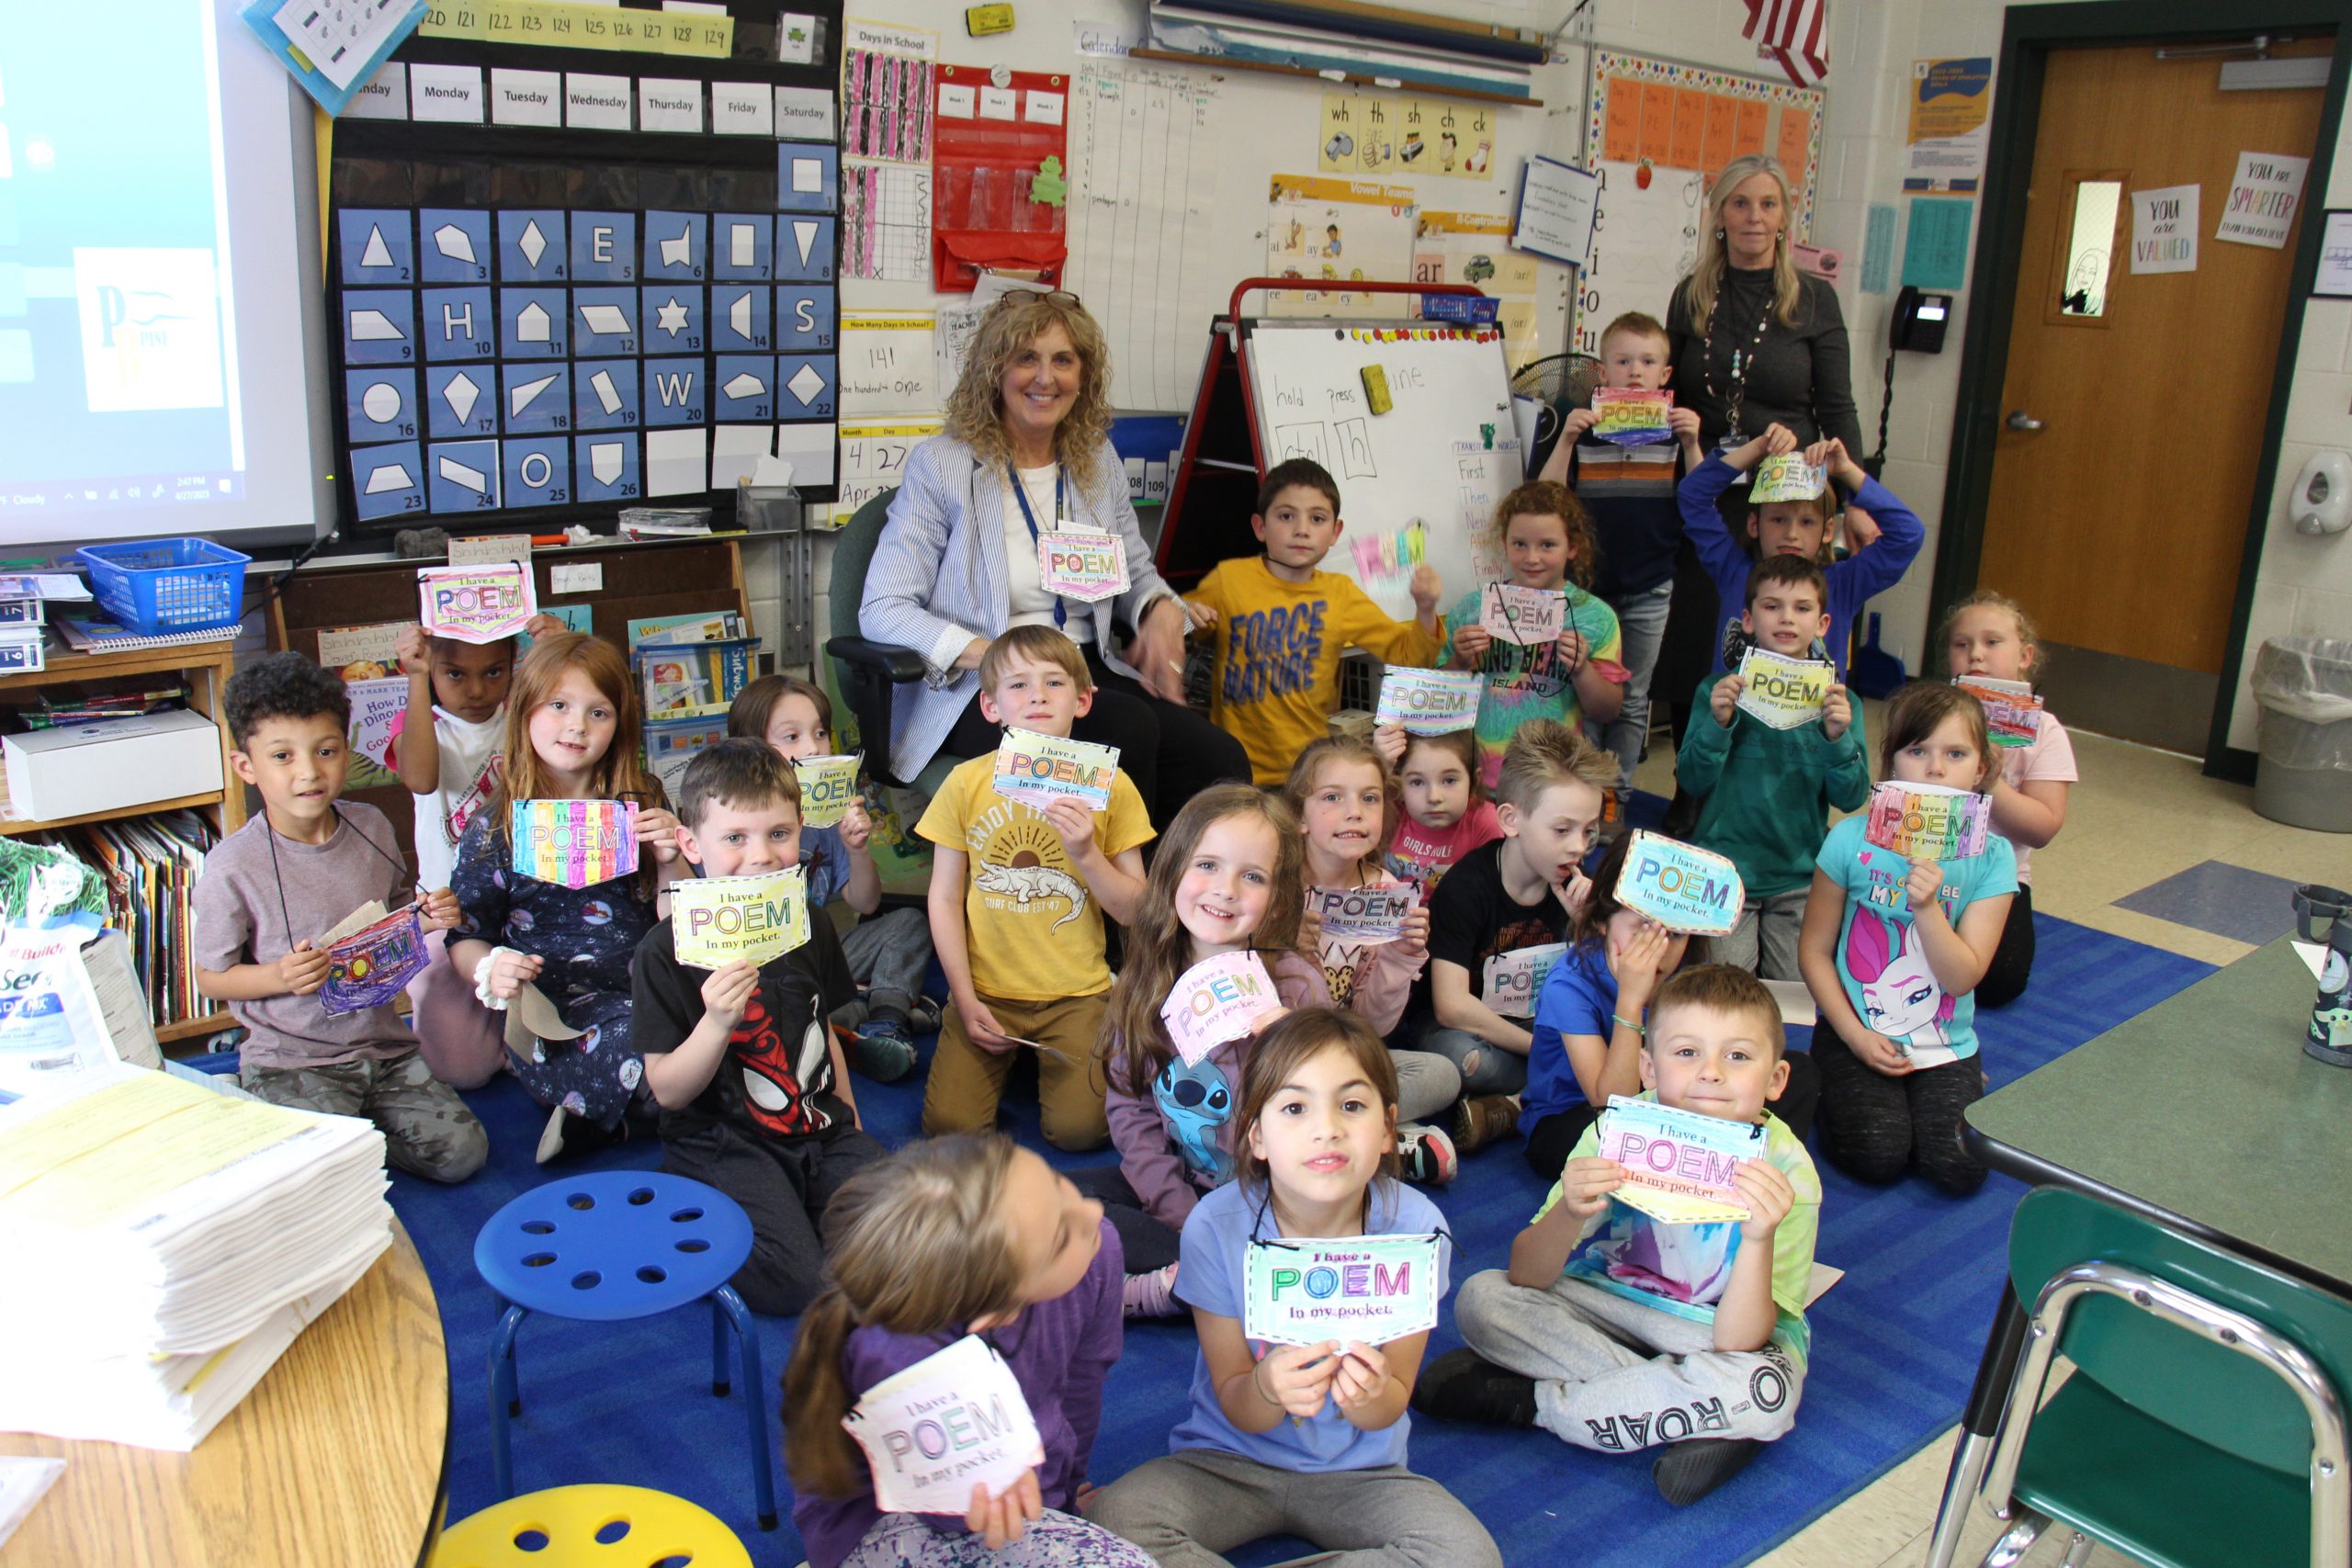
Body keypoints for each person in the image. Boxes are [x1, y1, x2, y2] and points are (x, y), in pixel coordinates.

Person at [1081, 1010, 1503, 1568]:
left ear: (1386, 1129)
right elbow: (1237, 1400)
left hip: (1363, 1473)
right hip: (1227, 1461)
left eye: (1352, 1105)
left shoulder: (1416, 1229)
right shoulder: (1216, 1224)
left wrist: (1372, 1398)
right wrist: (1266, 1387)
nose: (1326, 1128)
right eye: (1295, 1108)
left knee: (1467, 1557)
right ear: (1255, 1136)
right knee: (1116, 1522)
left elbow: (1393, 1398)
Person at [1415, 964, 1820, 1509]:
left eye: (1738, 1056)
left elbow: (1738, 1343)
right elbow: (1526, 1275)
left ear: (1776, 1079)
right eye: (1686, 1053)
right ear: (1649, 1069)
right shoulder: (1617, 1131)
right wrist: (1570, 1213)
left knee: (1767, 1392)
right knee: (1480, 1298)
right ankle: (1685, 1410)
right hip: (1605, 1303)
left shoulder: (1789, 1174)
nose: (1711, 1074)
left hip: (1712, 1334)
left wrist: (1756, 1239)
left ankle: (1536, 1403)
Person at [860, 288, 1247, 830]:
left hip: (1086, 671)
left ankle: (1182, 906)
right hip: (988, 689)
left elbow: (1133, 570)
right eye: (1026, 358)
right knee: (1128, 727)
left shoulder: (1095, 460)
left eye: (1063, 360)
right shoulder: (942, 465)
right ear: (994, 371)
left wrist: (1159, 608)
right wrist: (1000, 658)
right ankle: (1121, 908)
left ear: (1082, 375)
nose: (1046, 378)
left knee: (1218, 761)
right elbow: (884, 607)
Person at [783, 1134, 1152, 1568]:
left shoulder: (1097, 1245)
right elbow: (955, 1517)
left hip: (1003, 1495)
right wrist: (1005, 1490)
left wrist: (1062, 1498)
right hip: (891, 1521)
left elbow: (1082, 1389)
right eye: (1058, 1238)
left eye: (1057, 1184)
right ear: (996, 1311)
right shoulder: (898, 1352)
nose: (1091, 1211)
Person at [193, 652, 487, 1182]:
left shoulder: (371, 825)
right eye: (282, 756)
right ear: (246, 767)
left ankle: (353, 1142)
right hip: (293, 1058)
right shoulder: (233, 865)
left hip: (384, 1045)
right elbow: (211, 977)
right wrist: (276, 975)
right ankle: (324, 1140)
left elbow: (396, 914)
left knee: (463, 1156)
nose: (308, 772)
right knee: (318, 1178)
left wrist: (425, 917)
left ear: (345, 753)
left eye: (325, 751)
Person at [628, 740, 886, 1316]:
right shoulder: (663, 952)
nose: (763, 856)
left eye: (778, 834)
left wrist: (852, 1129)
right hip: (725, 1143)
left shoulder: (809, 922)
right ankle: (686, 1213)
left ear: (800, 829)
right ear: (692, 846)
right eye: (735, 838)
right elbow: (667, 1089)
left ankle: (810, 1214)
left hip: (817, 1131)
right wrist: (717, 1022)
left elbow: (823, 1033)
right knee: (797, 1283)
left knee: (915, 1236)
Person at [1084, 785, 1354, 1314]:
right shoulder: (1145, 980)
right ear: (1173, 871)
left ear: (1277, 896)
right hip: (1181, 1192)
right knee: (1050, 1203)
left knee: (1301, 1261)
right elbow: (1131, 1108)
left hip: (1272, 1206)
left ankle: (1177, 1289)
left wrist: (1289, 1048)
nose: (1225, 890)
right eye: (1207, 864)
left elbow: (1329, 1120)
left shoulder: (1296, 988)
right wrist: (1180, 1213)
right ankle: (1205, 1278)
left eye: (1252, 876)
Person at [447, 631, 687, 1163]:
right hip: (554, 1011)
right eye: (559, 706)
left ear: (619, 725)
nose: (577, 726)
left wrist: (673, 857)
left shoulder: (642, 797)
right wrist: (492, 968)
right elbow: (466, 936)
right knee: (652, 1058)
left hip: (646, 985)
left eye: (598, 713)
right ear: (525, 710)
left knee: (715, 1034)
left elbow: (680, 920)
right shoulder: (494, 826)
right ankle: (638, 1110)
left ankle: (608, 1124)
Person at [1656, 152, 1863, 764]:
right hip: (1710, 486)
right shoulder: (1692, 296)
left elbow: (1839, 408)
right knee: (1699, 631)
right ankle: (1698, 772)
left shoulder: (1814, 301)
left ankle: (1777, 766)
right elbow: (1672, 391)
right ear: (1720, 214)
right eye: (1740, 203)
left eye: (1767, 204)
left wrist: (1853, 502)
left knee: (1779, 623)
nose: (1753, 217)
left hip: (1788, 496)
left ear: (1784, 218)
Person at [918, 626, 1151, 1152]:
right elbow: (944, 898)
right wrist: (962, 993)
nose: (1038, 696)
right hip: (986, 990)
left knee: (1080, 1132)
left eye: (1053, 682)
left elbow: (1136, 910)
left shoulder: (1111, 785)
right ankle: (1018, 1059)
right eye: (1018, 685)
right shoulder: (965, 783)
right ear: (991, 706)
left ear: (1083, 698)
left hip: (1077, 991)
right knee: (949, 1131)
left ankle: (1050, 1060)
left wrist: (1088, 853)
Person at [1800, 682, 2017, 1196]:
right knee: (1877, 1154)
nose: (1935, 769)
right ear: (1893, 762)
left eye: (1955, 754)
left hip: (1946, 1043)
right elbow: (1813, 952)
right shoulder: (1851, 839)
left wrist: (1926, 908)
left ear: (1981, 768)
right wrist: (1853, 1036)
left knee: (1958, 1169)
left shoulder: (1993, 856)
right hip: (1855, 1031)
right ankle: (1821, 1078)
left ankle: (1956, 1084)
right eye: (1917, 751)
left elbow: (1964, 976)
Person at [1182, 457, 1444, 787]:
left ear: (1335, 532)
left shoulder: (1340, 594)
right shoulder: (1229, 580)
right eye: (1286, 516)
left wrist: (1425, 608)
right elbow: (1179, 626)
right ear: (1260, 526)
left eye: (1317, 518)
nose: (1301, 529)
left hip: (1308, 775)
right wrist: (1185, 612)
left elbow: (1410, 657)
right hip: (1235, 775)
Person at [729, 673, 934, 1080]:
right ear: (750, 749)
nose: (812, 748)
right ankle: (864, 1010)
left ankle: (884, 1017)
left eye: (819, 733)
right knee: (775, 999)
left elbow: (866, 903)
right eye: (791, 737)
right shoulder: (729, 820)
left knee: (909, 923)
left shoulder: (825, 815)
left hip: (820, 954)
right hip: (757, 969)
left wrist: (858, 850)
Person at [1676, 554, 1870, 978]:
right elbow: (1691, 779)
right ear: (1747, 619)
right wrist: (1717, 725)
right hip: (1725, 871)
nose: (1786, 618)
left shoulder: (1840, 704)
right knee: (1727, 989)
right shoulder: (1716, 691)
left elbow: (1852, 797)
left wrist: (1837, 738)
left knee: (1795, 995)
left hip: (1799, 875)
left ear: (1822, 625)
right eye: (1771, 606)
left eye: (1802, 608)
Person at [394, 614, 563, 1090]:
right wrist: (414, 678)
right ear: (431, 669)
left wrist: (555, 657)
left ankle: (518, 1042)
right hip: (447, 912)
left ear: (514, 664)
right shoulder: (422, 722)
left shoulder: (524, 715)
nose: (475, 690)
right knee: (460, 1072)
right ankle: (494, 1038)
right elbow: (421, 779)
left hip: (523, 903)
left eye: (493, 671)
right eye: (454, 674)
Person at [1282, 739, 1476, 1149]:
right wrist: (1286, 951)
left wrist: (1398, 959)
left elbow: (1374, 1028)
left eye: (1369, 798)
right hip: (1279, 1061)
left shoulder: (1387, 892)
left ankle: (1335, 1136)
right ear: (1299, 814)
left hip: (1349, 1059)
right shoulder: (1274, 890)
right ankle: (1380, 1142)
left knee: (1441, 1075)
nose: (1355, 811)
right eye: (1333, 797)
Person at [1536, 311, 1705, 785]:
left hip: (1649, 589)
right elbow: (1545, 502)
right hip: (1587, 592)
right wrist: (1568, 438)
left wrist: (1693, 445)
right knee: (1582, 692)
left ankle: (1619, 794)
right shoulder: (1586, 430)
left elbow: (1701, 506)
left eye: (1648, 361)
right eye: (1623, 360)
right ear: (1602, 372)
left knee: (1632, 699)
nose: (1635, 371)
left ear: (1664, 376)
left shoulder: (1674, 435)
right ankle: (1579, 791)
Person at [1409, 719, 1617, 1100]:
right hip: (1474, 1031)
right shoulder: (1465, 887)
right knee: (1462, 1057)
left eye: (1588, 831)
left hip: (1539, 1021)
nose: (1578, 847)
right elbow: (1452, 1007)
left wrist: (1587, 928)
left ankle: (1513, 1104)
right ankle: (1543, 1089)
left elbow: (1606, 989)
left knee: (1612, 1032)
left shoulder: (1575, 884)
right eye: (1562, 830)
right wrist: (1540, 1048)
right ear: (1510, 820)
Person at [1680, 424, 1922, 684]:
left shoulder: (1843, 584)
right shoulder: (1733, 570)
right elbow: (1692, 494)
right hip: (1734, 722)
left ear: (1828, 530)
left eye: (1807, 522)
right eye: (1778, 519)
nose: (1791, 534)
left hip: (1814, 724)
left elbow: (1908, 534)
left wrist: (1847, 471)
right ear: (1754, 524)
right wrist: (1759, 448)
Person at [1521, 832, 1689, 1181]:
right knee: (1605, 1144)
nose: (1659, 947)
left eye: (1676, 934)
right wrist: (1631, 999)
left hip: (1662, 1099)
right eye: (1643, 926)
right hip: (1577, 1113)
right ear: (1601, 921)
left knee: (1788, 1077)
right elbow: (1613, 1102)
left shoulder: (1686, 973)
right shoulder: (1568, 985)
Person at [1440, 480, 1625, 792]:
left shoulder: (1595, 617)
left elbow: (1608, 710)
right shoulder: (1472, 609)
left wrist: (1582, 670)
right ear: (1504, 543)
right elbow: (1439, 697)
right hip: (1477, 778)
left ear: (1573, 547)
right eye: (1520, 544)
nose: (1532, 558)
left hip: (1552, 780)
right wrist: (1459, 662)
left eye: (1548, 545)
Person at [1944, 592, 2073, 1007]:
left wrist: (1992, 783)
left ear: (2025, 656)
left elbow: (2043, 828)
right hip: (1927, 864)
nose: (1975, 655)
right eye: (1961, 644)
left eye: (1992, 642)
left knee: (2000, 983)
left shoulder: (2045, 731)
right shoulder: (1932, 716)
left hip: (1998, 878)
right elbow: (1890, 792)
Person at [1376, 726, 1501, 897]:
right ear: (1399, 783)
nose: (1434, 797)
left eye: (1449, 780)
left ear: (1473, 781)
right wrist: (1380, 769)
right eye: (1417, 782)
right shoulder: (1389, 808)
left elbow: (1492, 895)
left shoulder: (1484, 821)